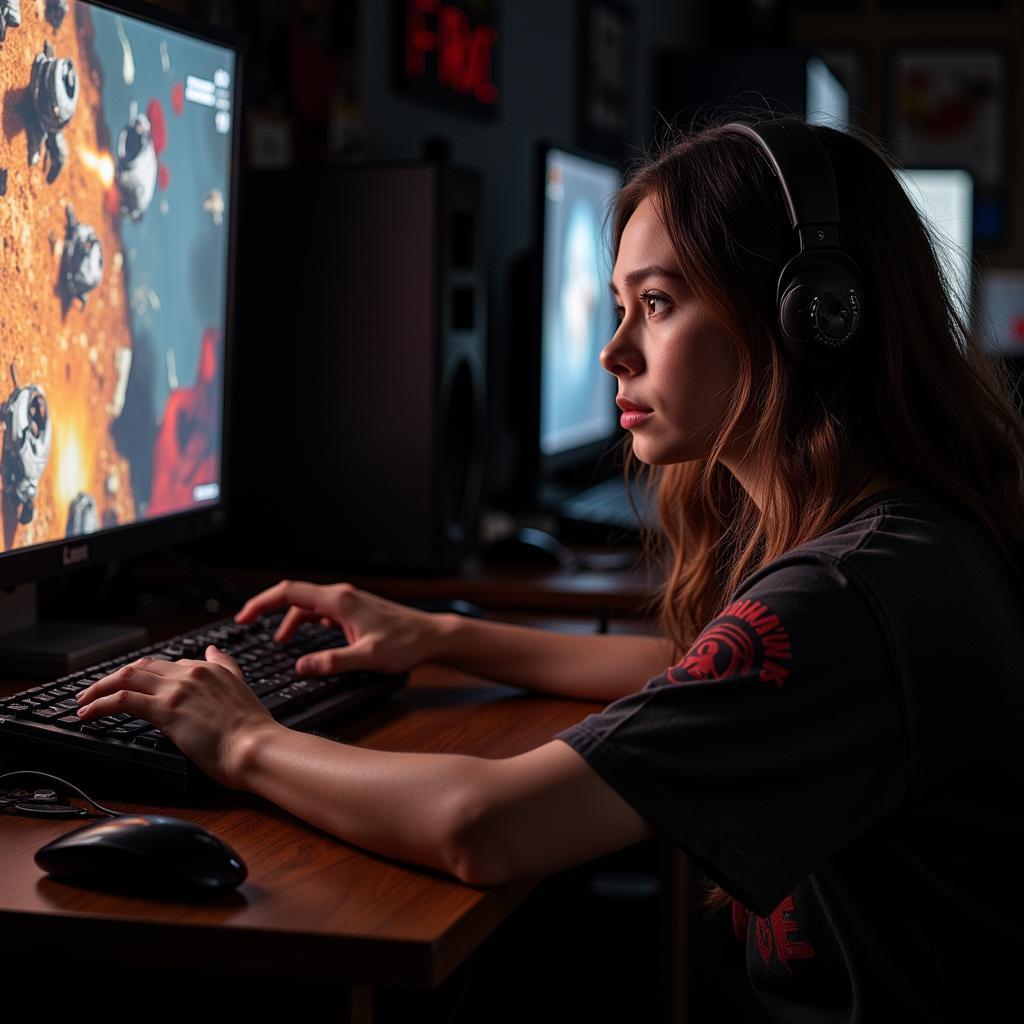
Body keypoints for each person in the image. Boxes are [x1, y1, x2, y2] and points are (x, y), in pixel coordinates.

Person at [75, 116, 1024, 1022]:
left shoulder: (851, 594)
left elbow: (483, 827)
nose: (615, 351)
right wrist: (443, 634)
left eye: (656, 303)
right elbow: (700, 666)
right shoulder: (898, 544)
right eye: (621, 307)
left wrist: (243, 739)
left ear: (813, 315)